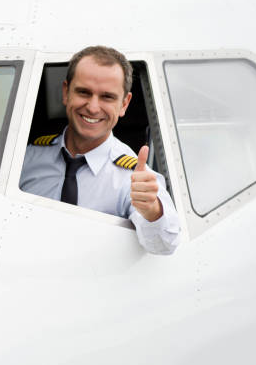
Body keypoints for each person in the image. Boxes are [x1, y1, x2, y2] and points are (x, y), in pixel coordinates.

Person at [19, 46, 180, 254]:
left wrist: (152, 210)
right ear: (66, 92)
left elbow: (165, 246)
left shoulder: (135, 179)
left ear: (124, 104)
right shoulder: (26, 159)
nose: (93, 107)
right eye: (84, 92)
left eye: (107, 97)